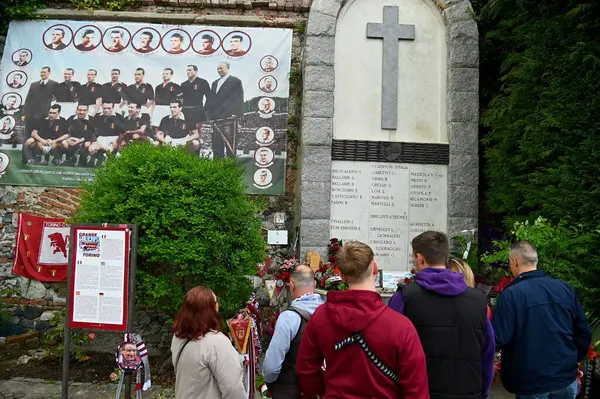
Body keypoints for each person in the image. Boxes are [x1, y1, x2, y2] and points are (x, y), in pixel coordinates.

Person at [297, 241, 429, 398]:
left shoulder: (320, 317)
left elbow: (306, 370)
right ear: (374, 268)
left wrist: (322, 392)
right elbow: (416, 388)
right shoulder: (400, 326)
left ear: (341, 275)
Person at [388, 231, 495, 399]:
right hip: (468, 391)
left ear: (420, 258)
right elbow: (487, 353)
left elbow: (389, 351)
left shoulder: (404, 298)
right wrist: (483, 392)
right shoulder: (478, 301)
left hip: (420, 392)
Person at [492, 241, 591, 399]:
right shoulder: (565, 289)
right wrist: (572, 359)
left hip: (531, 382)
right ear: (535, 261)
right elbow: (584, 333)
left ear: (515, 261)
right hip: (565, 378)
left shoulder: (511, 295)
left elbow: (498, 338)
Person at [171, 285, 246, 399]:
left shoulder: (178, 337)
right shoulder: (217, 343)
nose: (218, 305)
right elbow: (234, 390)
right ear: (210, 309)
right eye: (216, 302)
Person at [262, 265, 324, 398]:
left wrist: (270, 382)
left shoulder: (289, 318)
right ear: (314, 284)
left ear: (291, 285)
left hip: (290, 390)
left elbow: (271, 367)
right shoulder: (329, 314)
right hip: (322, 388)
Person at [208, 62, 244, 158]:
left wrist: (235, 113)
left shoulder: (235, 81)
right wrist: (210, 113)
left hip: (229, 117)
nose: (219, 70)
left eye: (221, 68)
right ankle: (217, 167)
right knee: (217, 144)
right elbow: (211, 99)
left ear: (227, 68)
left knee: (230, 144)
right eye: (218, 69)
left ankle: (230, 168)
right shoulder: (215, 83)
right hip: (216, 117)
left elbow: (239, 97)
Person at [180, 65, 211, 130]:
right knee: (186, 131)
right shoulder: (183, 84)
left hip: (198, 112)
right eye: (187, 70)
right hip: (185, 112)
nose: (187, 72)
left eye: (190, 70)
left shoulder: (203, 82)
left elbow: (209, 97)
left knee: (198, 131)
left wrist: (205, 109)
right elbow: (181, 98)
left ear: (196, 71)